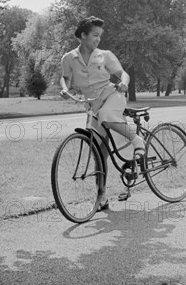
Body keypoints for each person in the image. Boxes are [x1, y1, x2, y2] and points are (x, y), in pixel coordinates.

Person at [60, 16, 145, 210]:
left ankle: (138, 141)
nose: (98, 39)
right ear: (83, 35)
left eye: (100, 36)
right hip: (92, 106)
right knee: (99, 153)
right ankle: (102, 197)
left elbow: (123, 73)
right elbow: (64, 78)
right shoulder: (68, 58)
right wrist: (64, 89)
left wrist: (124, 82)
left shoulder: (105, 55)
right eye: (95, 35)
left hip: (112, 97)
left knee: (107, 115)